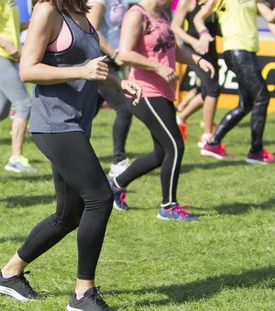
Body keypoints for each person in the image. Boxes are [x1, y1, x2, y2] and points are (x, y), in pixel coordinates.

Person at [0, 0, 142, 311]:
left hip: (75, 124)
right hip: (55, 126)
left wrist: (119, 82)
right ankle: (83, 293)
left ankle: (9, 274)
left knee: (69, 214)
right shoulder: (47, 11)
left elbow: (94, 68)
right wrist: (80, 71)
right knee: (100, 198)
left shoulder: (84, 15)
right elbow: (28, 69)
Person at [108, 0, 214, 221]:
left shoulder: (162, 15)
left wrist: (197, 59)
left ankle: (116, 185)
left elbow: (172, 50)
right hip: (144, 92)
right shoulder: (136, 15)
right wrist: (158, 67)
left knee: (160, 153)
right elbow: (125, 54)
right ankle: (168, 206)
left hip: (163, 92)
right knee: (175, 146)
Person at [195, 0, 275, 163]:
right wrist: (203, 32)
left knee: (246, 104)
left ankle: (212, 143)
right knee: (262, 97)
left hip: (247, 52)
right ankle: (256, 151)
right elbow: (198, 17)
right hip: (237, 50)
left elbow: (271, 17)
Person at [0, 0, 37, 173]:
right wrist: (6, 45)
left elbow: (10, 28)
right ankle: (15, 158)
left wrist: (31, 24)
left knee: (0, 111)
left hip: (7, 57)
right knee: (24, 104)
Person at [88, 0, 134, 177]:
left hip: (114, 61)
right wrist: (114, 53)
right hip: (101, 60)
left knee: (88, 112)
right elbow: (92, 30)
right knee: (124, 108)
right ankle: (118, 161)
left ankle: (65, 150)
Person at [171, 0, 221, 147]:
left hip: (210, 50)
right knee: (212, 89)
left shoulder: (216, 2)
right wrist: (194, 42)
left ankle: (181, 118)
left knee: (206, 90)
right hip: (192, 51)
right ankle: (207, 136)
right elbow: (175, 27)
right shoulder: (188, 2)